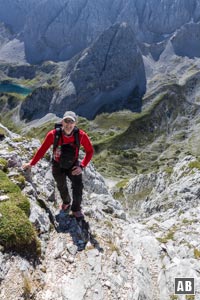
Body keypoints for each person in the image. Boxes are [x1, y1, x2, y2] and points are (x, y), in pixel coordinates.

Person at [23, 111, 94, 218]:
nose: (68, 125)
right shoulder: (53, 134)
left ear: (75, 124)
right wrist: (31, 163)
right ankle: (66, 202)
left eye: (71, 122)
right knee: (61, 186)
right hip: (57, 164)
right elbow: (42, 150)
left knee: (78, 187)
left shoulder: (81, 135)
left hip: (73, 164)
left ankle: (76, 209)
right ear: (62, 122)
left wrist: (82, 166)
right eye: (66, 121)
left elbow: (90, 151)